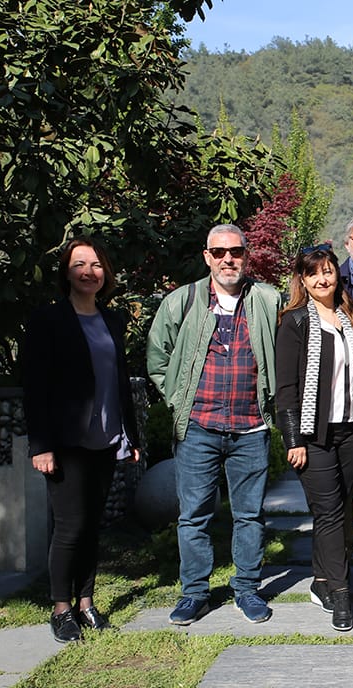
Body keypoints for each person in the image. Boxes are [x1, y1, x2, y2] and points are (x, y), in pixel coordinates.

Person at [146, 224, 281, 627]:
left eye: (235, 251)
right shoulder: (181, 302)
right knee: (194, 516)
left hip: (251, 427)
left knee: (250, 515)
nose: (228, 259)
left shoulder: (267, 300)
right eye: (219, 252)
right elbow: (157, 358)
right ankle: (194, 593)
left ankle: (247, 589)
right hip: (198, 427)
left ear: (246, 254)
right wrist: (176, 399)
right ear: (206, 256)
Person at [25, 238, 139, 643]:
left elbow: (119, 383)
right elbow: (35, 388)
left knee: (92, 526)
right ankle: (60, 609)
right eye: (80, 264)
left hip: (106, 439)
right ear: (66, 272)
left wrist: (131, 434)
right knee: (69, 527)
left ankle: (86, 602)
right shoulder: (48, 320)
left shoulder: (112, 320)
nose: (89, 271)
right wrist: (41, 445)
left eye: (96, 264)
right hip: (66, 441)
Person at [275, 243, 353, 632]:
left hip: (350, 430)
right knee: (329, 513)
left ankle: (320, 580)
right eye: (313, 273)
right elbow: (286, 387)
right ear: (304, 280)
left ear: (336, 274)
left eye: (327, 270)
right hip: (313, 435)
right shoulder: (294, 322)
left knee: (339, 509)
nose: (322, 278)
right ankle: (343, 595)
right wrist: (293, 439)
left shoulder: (350, 319)